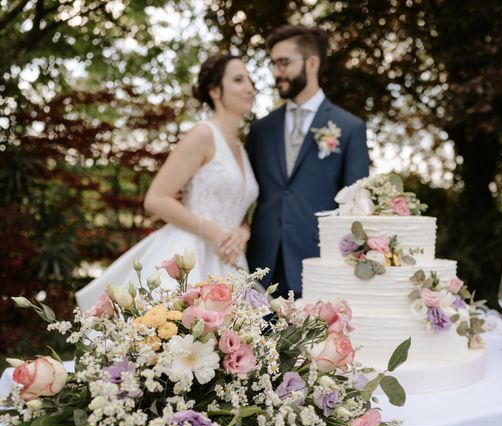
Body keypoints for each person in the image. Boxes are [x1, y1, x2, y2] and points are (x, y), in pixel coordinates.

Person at [76, 54, 258, 311]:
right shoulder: (203, 135)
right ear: (215, 91)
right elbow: (156, 198)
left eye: (250, 80)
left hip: (230, 260)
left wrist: (243, 232)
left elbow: (238, 207)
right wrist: (214, 233)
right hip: (191, 255)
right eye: (239, 80)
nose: (250, 87)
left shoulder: (241, 146)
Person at [246, 25, 370, 299]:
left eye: (283, 63)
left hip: (319, 262)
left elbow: (356, 209)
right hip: (261, 265)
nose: (276, 72)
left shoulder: (349, 128)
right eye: (273, 64)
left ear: (311, 63)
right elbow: (244, 191)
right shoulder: (260, 130)